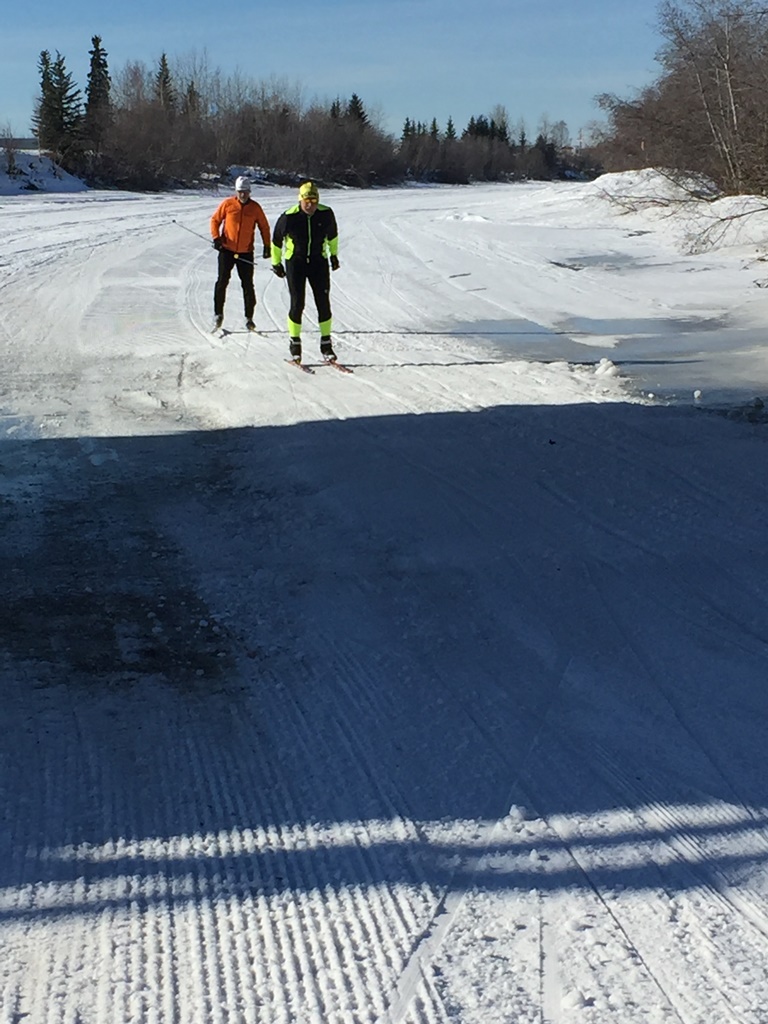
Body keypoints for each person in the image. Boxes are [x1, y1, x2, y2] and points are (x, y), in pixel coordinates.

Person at [271, 181, 340, 362]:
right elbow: (277, 240)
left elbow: (333, 236)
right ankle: (295, 343)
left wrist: (333, 256)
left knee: (323, 303)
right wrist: (276, 263)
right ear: (300, 200)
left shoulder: (326, 214)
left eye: (314, 200)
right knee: (297, 303)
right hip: (296, 262)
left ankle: (326, 344)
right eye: (307, 200)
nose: (310, 204)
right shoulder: (289, 216)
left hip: (318, 261)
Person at [210, 176, 271, 331]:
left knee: (248, 285)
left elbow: (264, 226)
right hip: (227, 250)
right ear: (236, 191)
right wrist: (216, 238)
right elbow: (215, 220)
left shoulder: (255, 208)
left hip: (246, 252)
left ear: (249, 192)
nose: (242, 195)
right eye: (240, 192)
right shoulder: (228, 204)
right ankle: (218, 314)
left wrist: (267, 246)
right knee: (222, 282)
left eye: (245, 192)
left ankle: (249, 318)